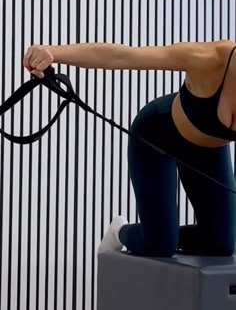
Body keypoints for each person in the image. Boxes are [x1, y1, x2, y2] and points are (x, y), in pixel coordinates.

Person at [23, 39, 236, 257]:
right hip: (156, 136)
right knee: (160, 247)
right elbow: (122, 55)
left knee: (221, 244)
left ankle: (161, 233)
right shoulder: (211, 58)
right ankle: (119, 231)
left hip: (208, 149)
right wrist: (53, 52)